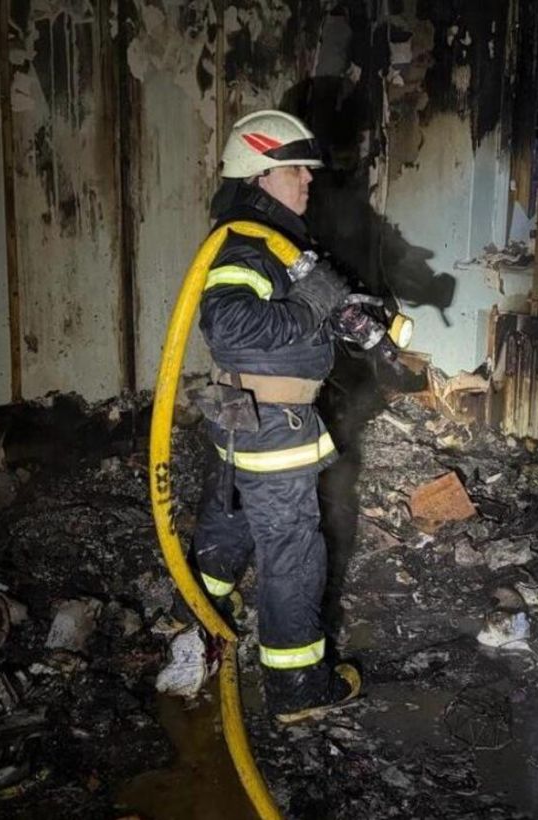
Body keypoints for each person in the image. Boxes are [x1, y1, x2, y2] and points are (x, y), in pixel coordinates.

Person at [171, 109, 360, 723]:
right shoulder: (246, 243)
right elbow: (229, 325)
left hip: (247, 417)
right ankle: (296, 686)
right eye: (295, 170)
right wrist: (311, 307)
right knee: (293, 551)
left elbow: (291, 313)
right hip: (273, 422)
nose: (308, 179)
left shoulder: (269, 242)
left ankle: (197, 617)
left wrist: (339, 313)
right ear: (258, 175)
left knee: (231, 518)